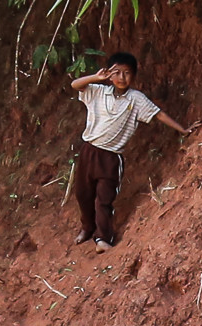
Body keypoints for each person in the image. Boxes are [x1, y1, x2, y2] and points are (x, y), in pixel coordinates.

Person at [68, 52, 192, 252]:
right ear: (108, 73)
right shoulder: (98, 92)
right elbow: (75, 84)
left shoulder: (136, 99)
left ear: (133, 76)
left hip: (111, 157)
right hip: (89, 151)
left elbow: (158, 114)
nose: (122, 78)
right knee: (83, 193)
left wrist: (183, 130)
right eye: (117, 72)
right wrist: (96, 77)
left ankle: (103, 238)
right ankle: (87, 227)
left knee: (104, 199)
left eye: (127, 73)